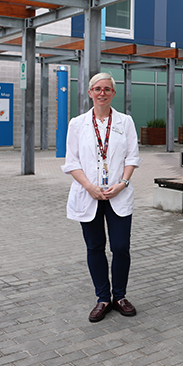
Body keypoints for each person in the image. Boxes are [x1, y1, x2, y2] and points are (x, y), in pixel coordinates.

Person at [61, 72, 142, 322]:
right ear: (90, 92)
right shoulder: (77, 124)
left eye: (107, 89)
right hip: (90, 195)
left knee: (120, 247)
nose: (102, 93)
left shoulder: (125, 122)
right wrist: (89, 186)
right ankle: (103, 299)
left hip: (118, 194)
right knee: (95, 247)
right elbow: (71, 161)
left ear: (113, 93)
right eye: (97, 89)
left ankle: (120, 296)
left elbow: (132, 157)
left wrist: (123, 183)